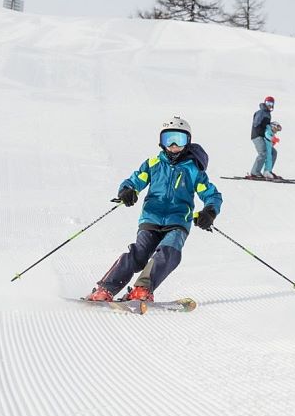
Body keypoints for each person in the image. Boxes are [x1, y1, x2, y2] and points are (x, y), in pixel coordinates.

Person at [86, 116, 223, 304]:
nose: (174, 145)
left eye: (179, 140)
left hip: (178, 221)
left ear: (188, 142)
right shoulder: (153, 164)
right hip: (151, 217)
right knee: (139, 254)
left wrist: (209, 211)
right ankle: (105, 288)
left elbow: (211, 195)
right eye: (169, 139)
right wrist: (128, 191)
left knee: (170, 252)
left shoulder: (194, 171)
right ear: (161, 142)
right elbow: (135, 180)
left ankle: (142, 289)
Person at [248, 96, 282, 179]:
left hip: (264, 137)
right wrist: (266, 133)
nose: (269, 105)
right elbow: (256, 124)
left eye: (271, 104)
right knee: (263, 152)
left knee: (273, 152)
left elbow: (267, 127)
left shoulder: (268, 114)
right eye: (268, 103)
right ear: (265, 103)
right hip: (257, 136)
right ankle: (254, 172)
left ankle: (268, 171)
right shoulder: (261, 112)